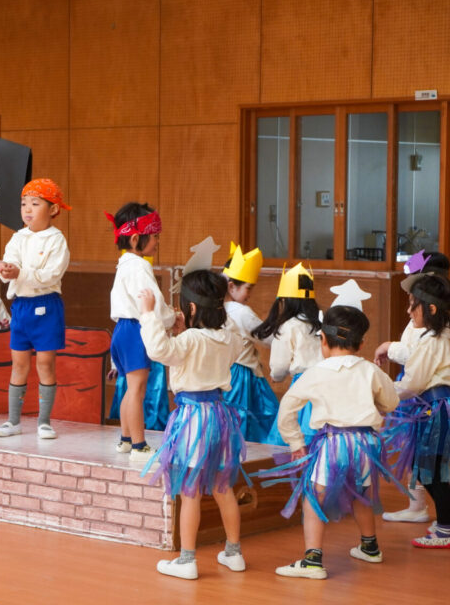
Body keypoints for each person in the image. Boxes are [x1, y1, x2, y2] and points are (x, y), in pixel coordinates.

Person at [259, 305, 403, 579]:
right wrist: (376, 405)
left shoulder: (315, 372)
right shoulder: (370, 371)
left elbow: (287, 409)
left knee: (314, 498)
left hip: (333, 444)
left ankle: (313, 560)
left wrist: (296, 443)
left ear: (322, 340)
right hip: (365, 444)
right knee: (362, 494)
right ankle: (370, 547)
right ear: (361, 343)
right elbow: (391, 401)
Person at [138, 269, 246, 580]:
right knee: (223, 487)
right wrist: (186, 330)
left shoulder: (189, 340)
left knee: (190, 491)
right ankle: (234, 553)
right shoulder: (228, 338)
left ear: (192, 308)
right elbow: (209, 346)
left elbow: (159, 351)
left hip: (193, 418)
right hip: (220, 415)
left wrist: (148, 315)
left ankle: (187, 560)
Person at [381, 251, 450, 529]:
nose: (408, 311)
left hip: (435, 407)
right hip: (438, 405)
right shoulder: (441, 331)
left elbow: (413, 382)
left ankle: (447, 526)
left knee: (431, 470)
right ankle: (448, 519)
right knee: (431, 467)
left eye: (413, 305)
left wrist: (381, 391)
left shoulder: (431, 338)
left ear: (430, 308)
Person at [0, 179, 71, 439]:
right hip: (21, 306)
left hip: (46, 306)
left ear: (53, 209)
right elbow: (11, 267)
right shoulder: (17, 237)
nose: (27, 209)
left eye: (35, 203)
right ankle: (13, 422)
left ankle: (44, 422)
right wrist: (3, 267)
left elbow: (51, 274)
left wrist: (18, 272)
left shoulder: (57, 240)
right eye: (24, 204)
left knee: (45, 363)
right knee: (18, 364)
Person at [106, 202, 175, 458]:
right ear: (136, 239)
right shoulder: (139, 266)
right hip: (135, 329)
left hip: (122, 330)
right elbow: (152, 303)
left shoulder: (124, 265)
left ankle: (126, 439)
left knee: (130, 387)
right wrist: (172, 318)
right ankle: (139, 445)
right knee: (137, 389)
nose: (157, 242)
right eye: (154, 236)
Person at [254, 263, 323, 448]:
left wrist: (276, 376)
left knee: (292, 438)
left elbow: (279, 365)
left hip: (302, 389)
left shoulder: (289, 326)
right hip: (324, 388)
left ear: (286, 301)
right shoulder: (320, 323)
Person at [220, 242, 278, 443]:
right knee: (257, 417)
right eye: (248, 288)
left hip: (222, 372)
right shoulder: (241, 312)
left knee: (229, 421)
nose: (250, 294)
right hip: (241, 376)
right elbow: (268, 337)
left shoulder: (215, 309)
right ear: (231, 286)